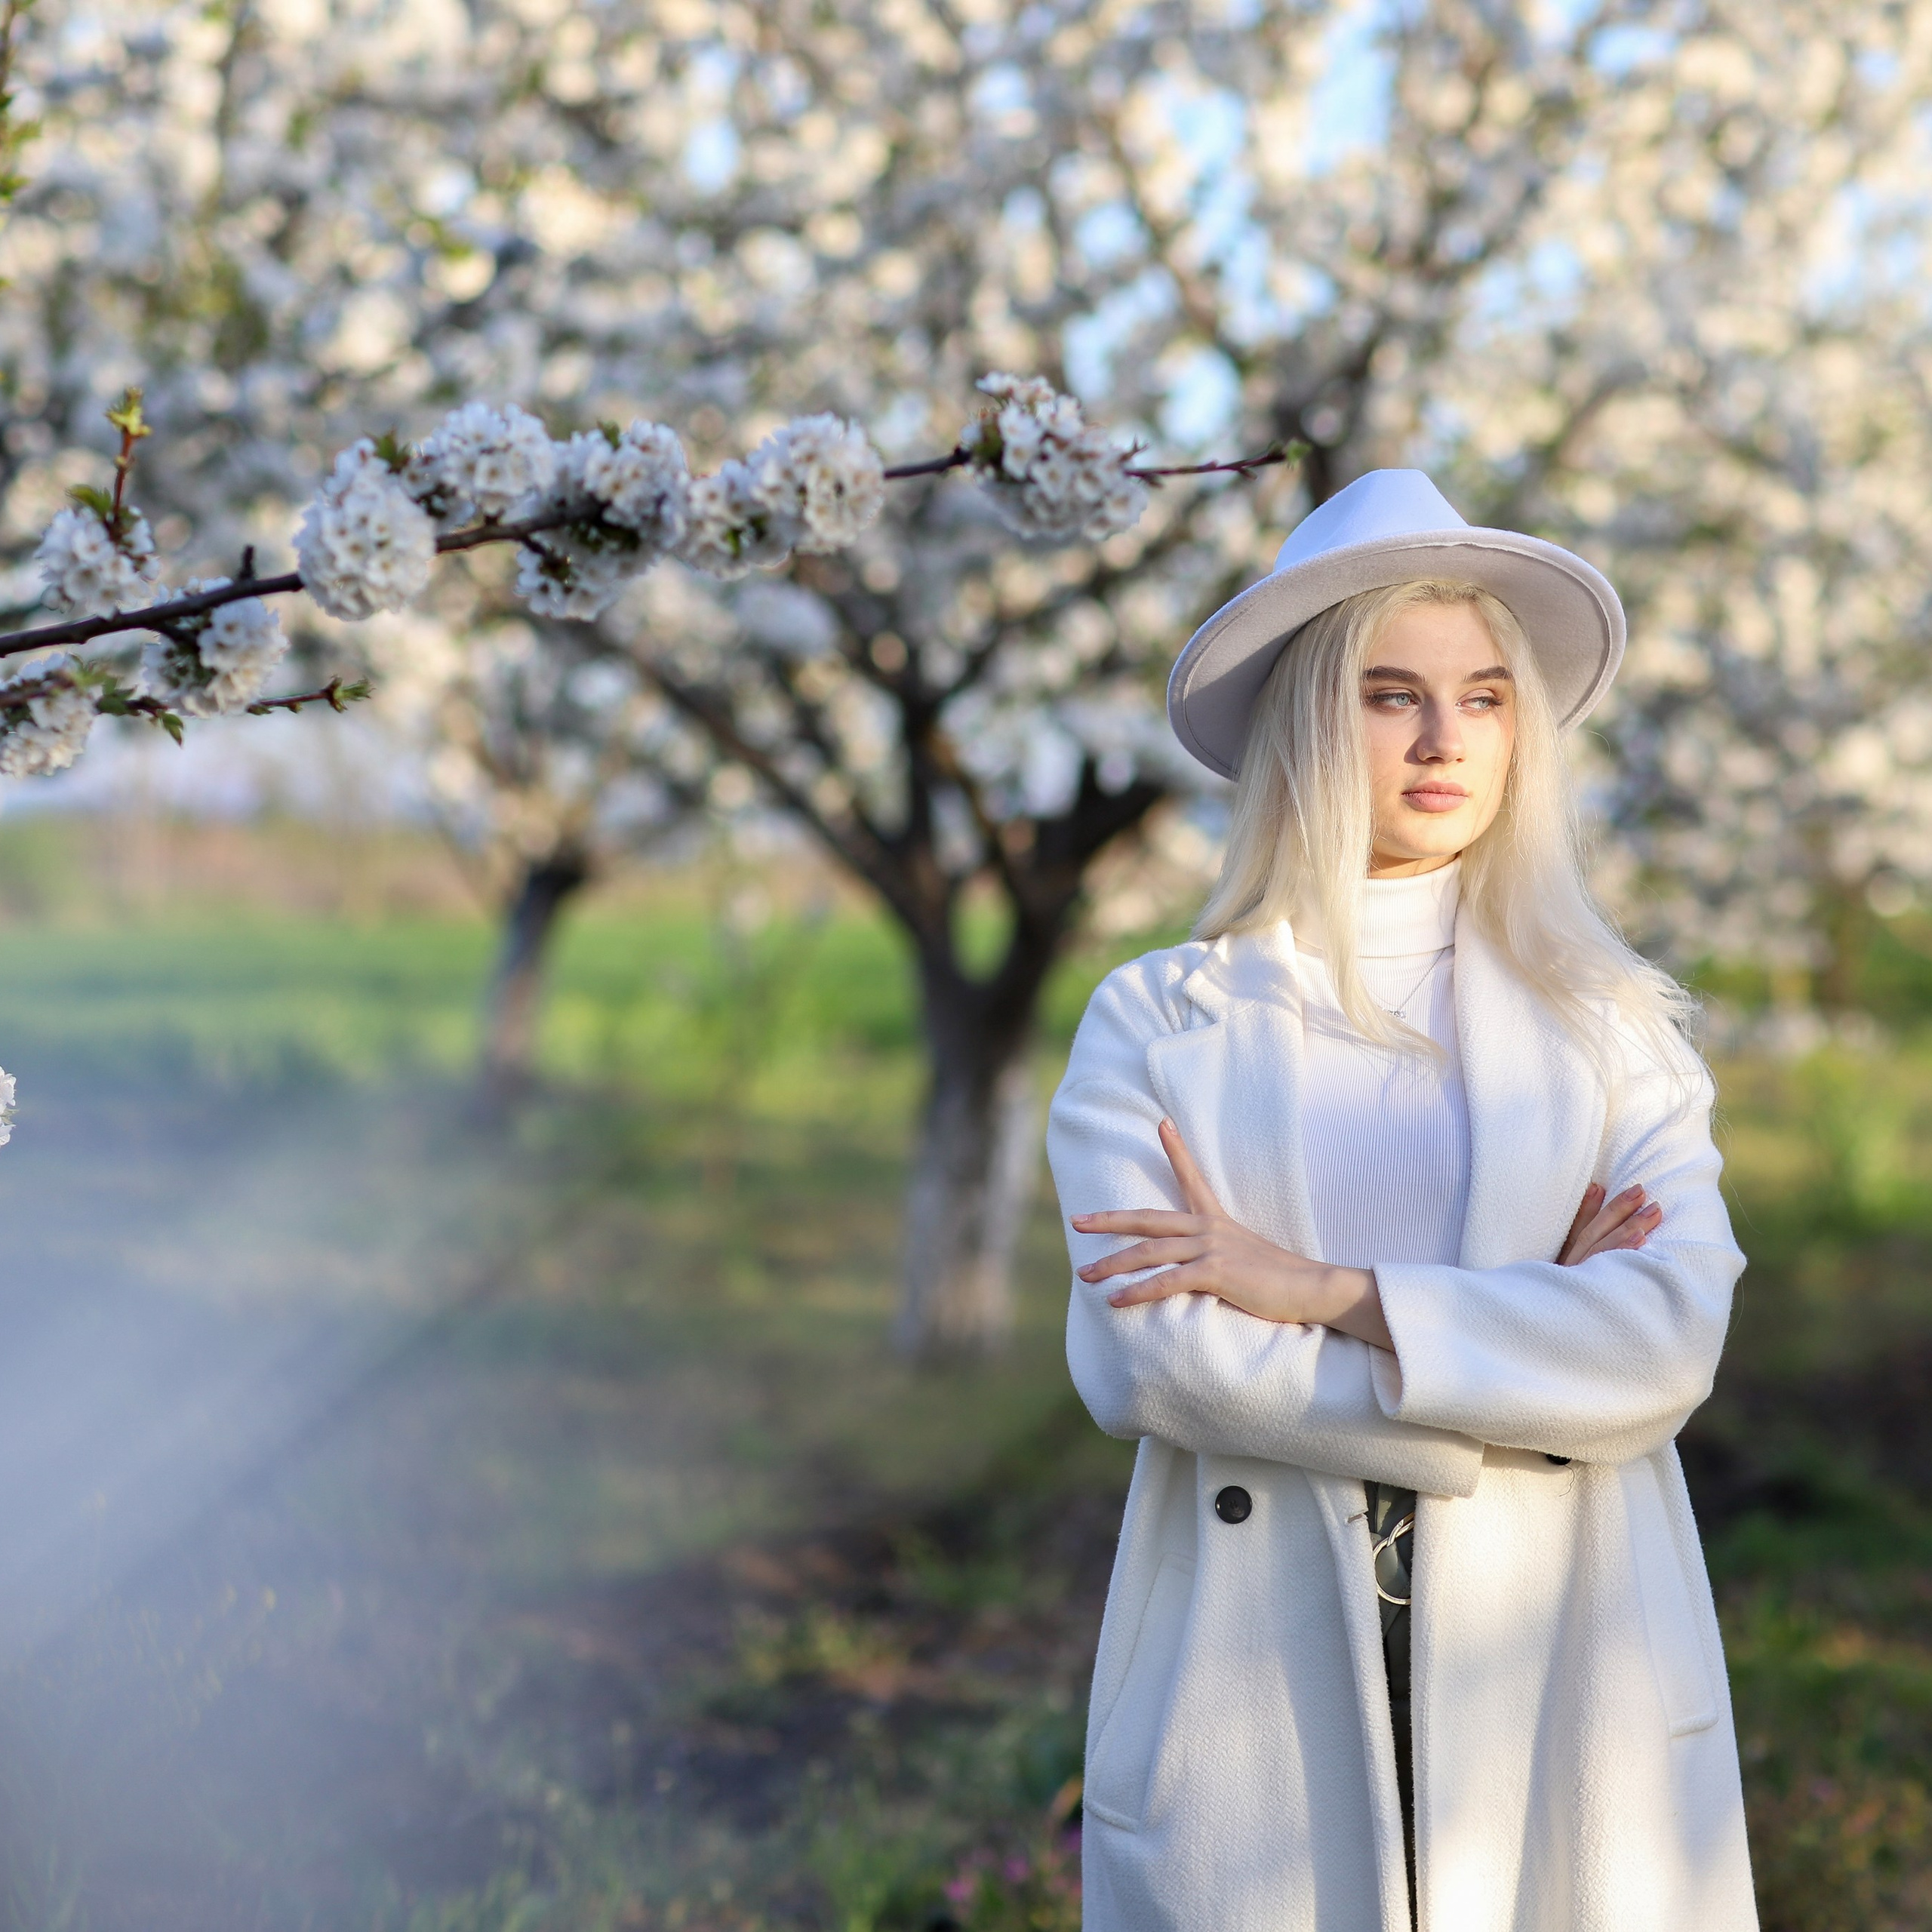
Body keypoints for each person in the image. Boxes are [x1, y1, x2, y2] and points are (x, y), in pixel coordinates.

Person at [1045, 471, 1756, 1932]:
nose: (1444, 739)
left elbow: (1664, 1342)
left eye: (1484, 696)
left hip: (1556, 1657)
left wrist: (1318, 1290)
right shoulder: (1156, 1019)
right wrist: (1521, 1349)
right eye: (1389, 694)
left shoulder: (1612, 1024)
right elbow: (1158, 1359)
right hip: (1258, 1682)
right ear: (1310, 715)